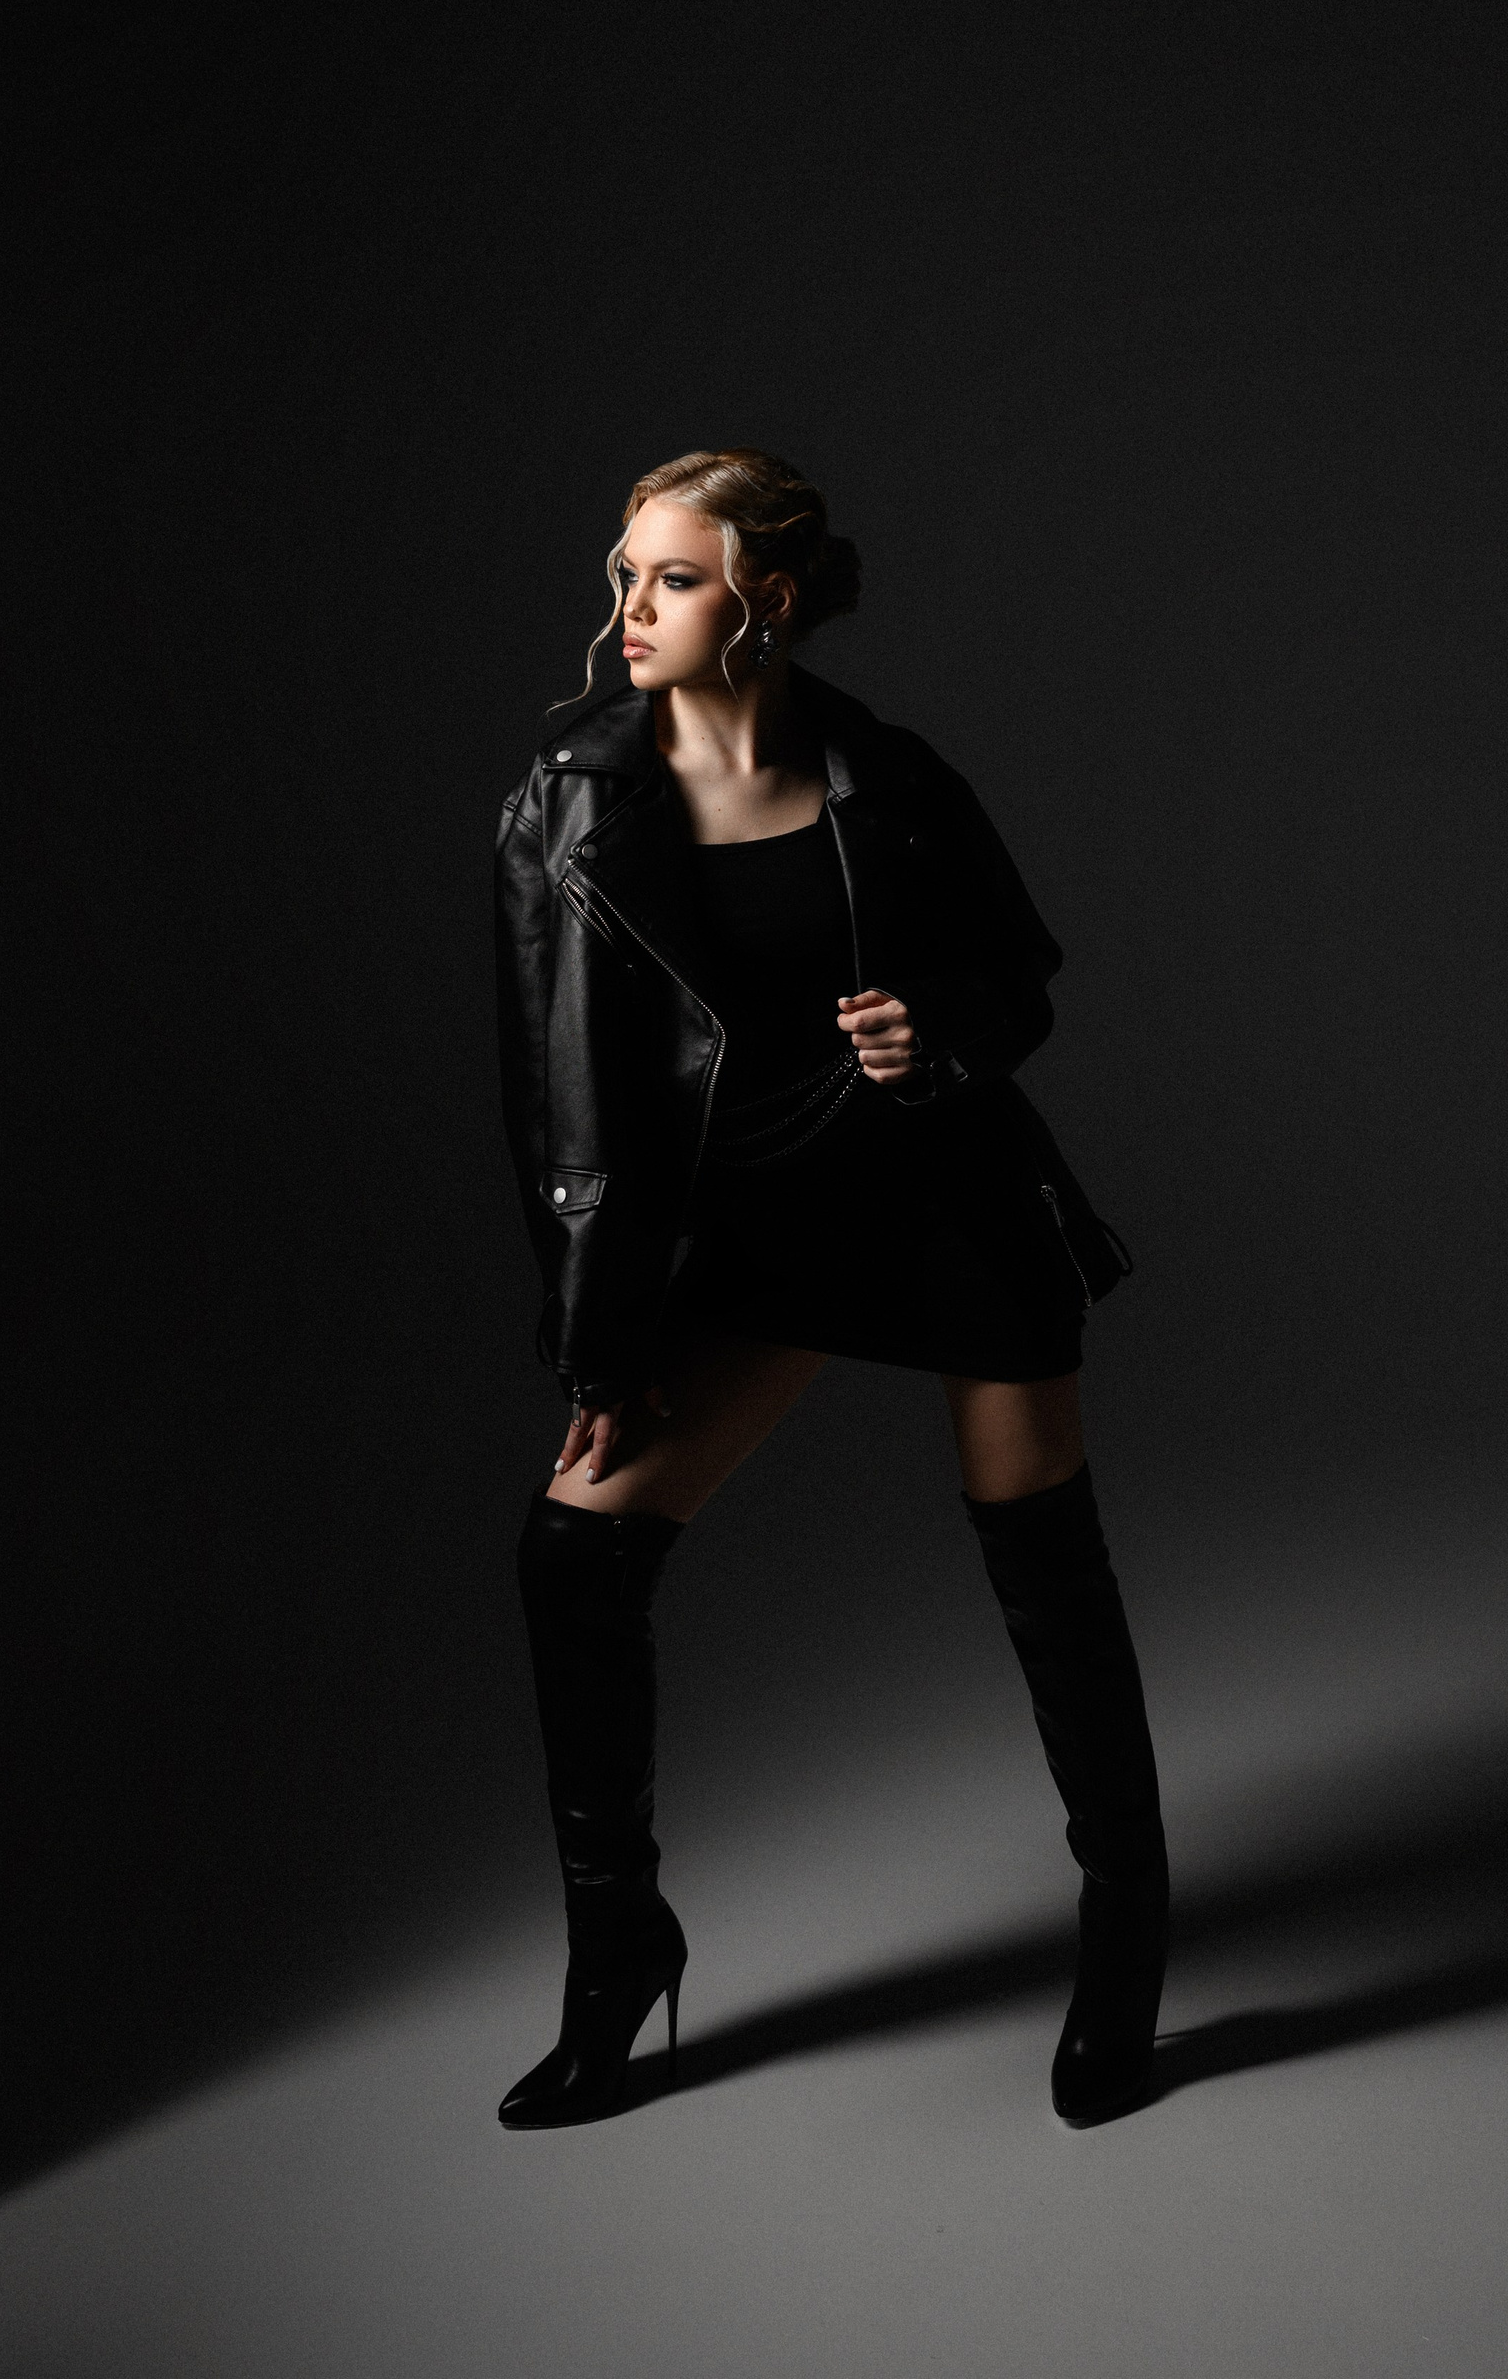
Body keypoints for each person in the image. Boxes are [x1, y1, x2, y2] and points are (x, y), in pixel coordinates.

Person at [491, 447, 1163, 2134]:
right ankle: (619, 1952)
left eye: (675, 577)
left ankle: (1127, 1919)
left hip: (944, 1196)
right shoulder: (568, 799)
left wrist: (941, 1026)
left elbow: (1022, 975)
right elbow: (558, 1106)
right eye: (626, 573)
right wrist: (601, 1335)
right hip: (757, 1230)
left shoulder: (893, 774)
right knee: (574, 1552)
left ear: (766, 600)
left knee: (1047, 1568)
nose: (630, 608)